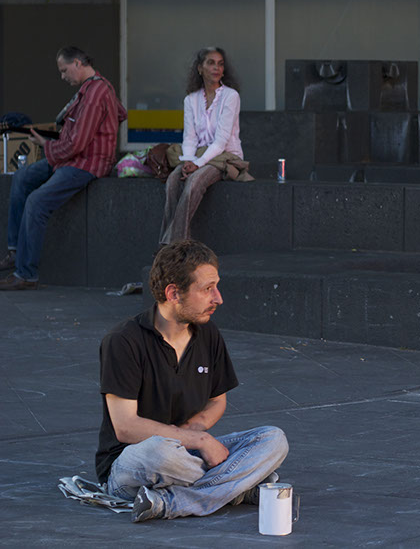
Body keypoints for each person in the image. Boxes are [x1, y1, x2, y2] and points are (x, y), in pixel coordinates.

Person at [96, 239, 288, 522]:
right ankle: (238, 486)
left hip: (188, 453)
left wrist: (192, 432)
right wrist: (199, 440)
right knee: (161, 452)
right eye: (207, 289)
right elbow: (125, 427)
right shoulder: (123, 341)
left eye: (216, 286)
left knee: (273, 439)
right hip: (133, 463)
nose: (218, 298)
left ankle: (171, 503)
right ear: (174, 293)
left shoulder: (207, 333)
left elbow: (217, 401)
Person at [0, 47, 127, 291]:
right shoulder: (93, 88)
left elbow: (77, 144)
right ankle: (15, 252)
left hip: (86, 163)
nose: (62, 76)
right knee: (22, 177)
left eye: (64, 70)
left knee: (37, 201)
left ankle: (26, 275)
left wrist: (47, 145)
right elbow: (120, 113)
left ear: (78, 63)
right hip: (69, 157)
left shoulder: (95, 93)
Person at [160, 47, 244, 246]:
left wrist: (197, 164)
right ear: (199, 68)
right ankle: (177, 243)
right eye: (211, 63)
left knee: (194, 181)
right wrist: (189, 160)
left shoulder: (230, 96)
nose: (216, 68)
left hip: (225, 156)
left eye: (220, 64)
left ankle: (171, 245)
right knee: (172, 181)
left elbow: (221, 141)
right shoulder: (191, 100)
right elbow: (189, 138)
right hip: (198, 155)